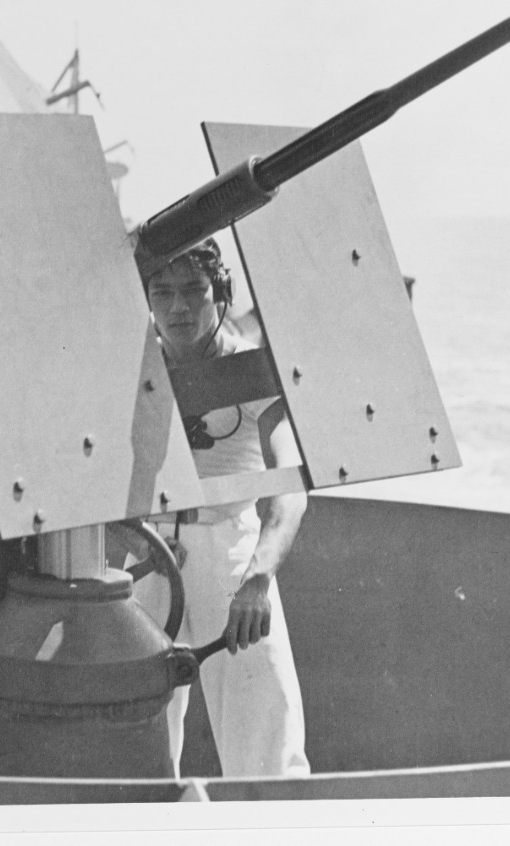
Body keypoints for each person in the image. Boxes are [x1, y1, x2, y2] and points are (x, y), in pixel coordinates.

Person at [137, 238, 311, 778]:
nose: (179, 308)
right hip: (147, 552)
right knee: (134, 739)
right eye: (162, 293)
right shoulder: (133, 366)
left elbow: (290, 485)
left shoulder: (251, 371)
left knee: (264, 737)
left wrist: (257, 579)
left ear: (222, 294)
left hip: (230, 549)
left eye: (194, 290)